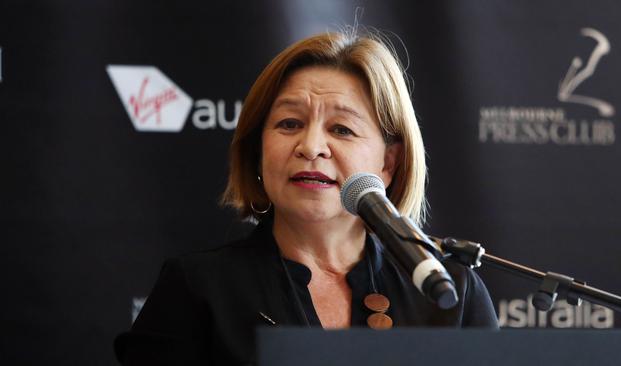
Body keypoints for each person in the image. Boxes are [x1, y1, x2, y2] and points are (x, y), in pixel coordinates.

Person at [114, 29, 498, 365]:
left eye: (342, 129)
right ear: (259, 150)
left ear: (388, 163)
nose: (311, 146)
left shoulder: (451, 294)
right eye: (289, 124)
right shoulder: (197, 289)